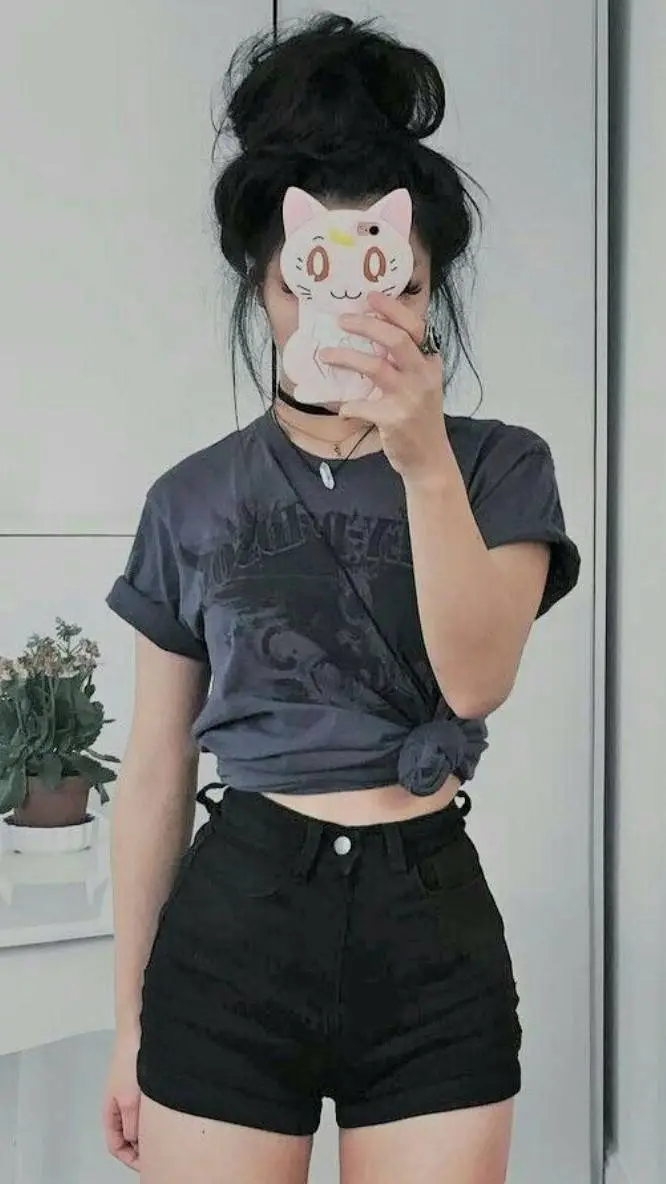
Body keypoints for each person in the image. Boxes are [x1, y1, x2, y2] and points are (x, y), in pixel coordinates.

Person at [102, 13, 580, 1184]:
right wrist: (128, 1022)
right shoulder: (190, 497)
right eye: (307, 281)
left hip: (430, 928)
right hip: (236, 920)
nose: (359, 316)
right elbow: (156, 769)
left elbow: (477, 679)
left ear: (428, 284)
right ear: (262, 284)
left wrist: (422, 455)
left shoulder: (498, 466)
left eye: (396, 285)